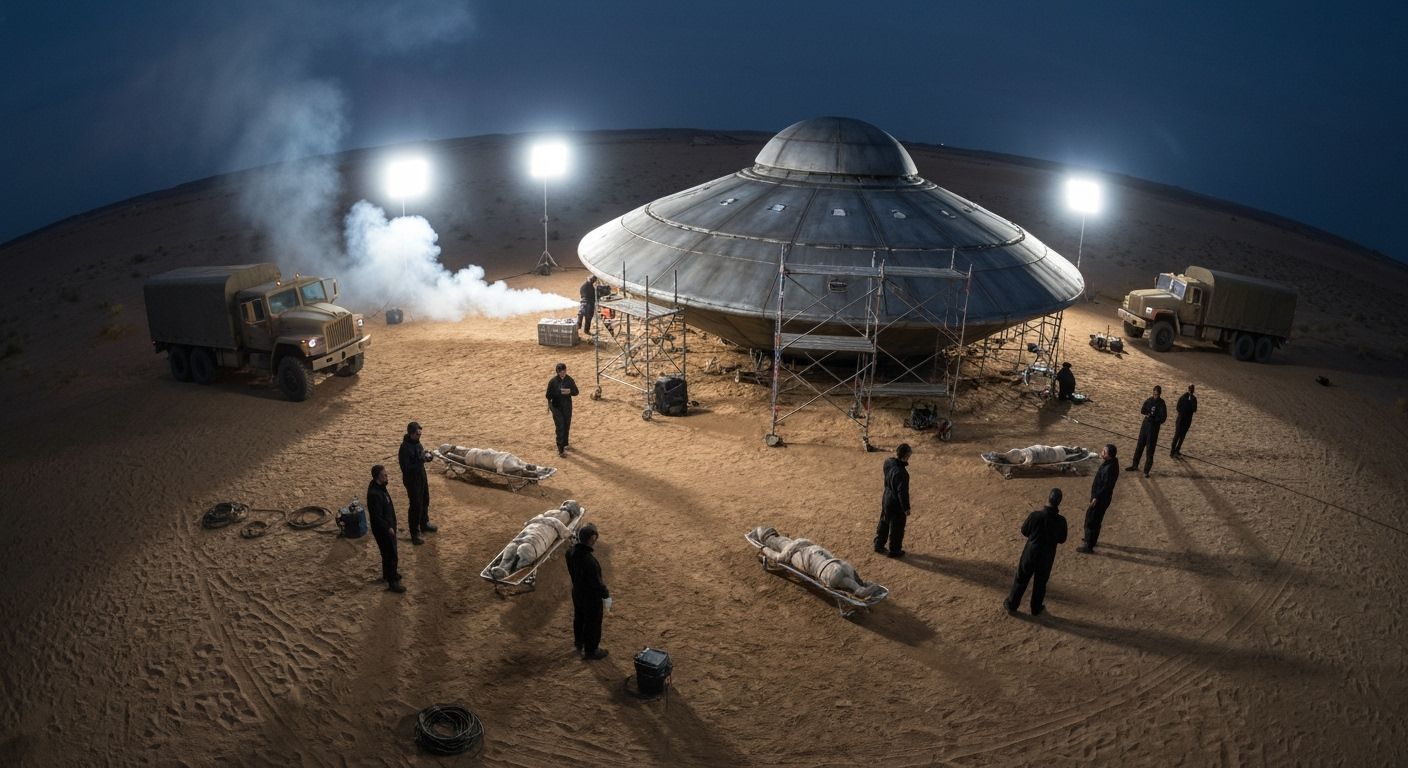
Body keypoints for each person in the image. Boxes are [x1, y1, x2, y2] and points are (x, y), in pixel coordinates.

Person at [754, 527, 884, 598]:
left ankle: (859, 587)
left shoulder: (791, 552)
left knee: (843, 578)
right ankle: (859, 585)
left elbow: (776, 555)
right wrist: (764, 548)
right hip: (829, 567)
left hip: (828, 572)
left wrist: (764, 549)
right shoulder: (792, 549)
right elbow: (777, 555)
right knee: (843, 570)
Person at [1004, 488, 1068, 616]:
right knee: (1040, 583)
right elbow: (1062, 539)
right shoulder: (1061, 521)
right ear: (1059, 502)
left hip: (1031, 553)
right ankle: (1036, 608)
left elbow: (1024, 531)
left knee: (1021, 578)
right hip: (1047, 556)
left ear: (1048, 499)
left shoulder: (1035, 515)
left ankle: (1012, 604)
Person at [490, 501, 583, 579]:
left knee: (515, 547)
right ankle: (508, 569)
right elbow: (565, 532)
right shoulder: (563, 519)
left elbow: (538, 518)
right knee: (522, 548)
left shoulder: (551, 513)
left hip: (532, 531)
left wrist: (533, 521)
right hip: (537, 537)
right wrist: (570, 534)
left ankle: (505, 567)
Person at [565, 523, 611, 660]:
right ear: (591, 539)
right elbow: (597, 583)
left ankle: (579, 642)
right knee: (593, 622)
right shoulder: (589, 561)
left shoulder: (570, 552)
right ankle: (591, 650)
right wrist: (606, 595)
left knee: (579, 618)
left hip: (577, 592)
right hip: (590, 598)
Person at [366, 464, 405, 593]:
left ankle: (388, 574)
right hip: (383, 530)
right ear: (378, 477)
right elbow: (377, 516)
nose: (387, 476)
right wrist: (388, 527)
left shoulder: (380, 487)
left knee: (387, 553)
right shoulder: (374, 494)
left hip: (387, 525)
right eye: (384, 475)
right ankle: (392, 582)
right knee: (391, 554)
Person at [398, 421, 435, 545]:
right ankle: (415, 533)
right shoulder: (404, 448)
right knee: (415, 506)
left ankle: (424, 523)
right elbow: (406, 468)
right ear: (411, 433)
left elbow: (421, 456)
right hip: (412, 480)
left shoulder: (417, 443)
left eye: (420, 434)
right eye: (417, 434)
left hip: (421, 476)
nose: (420, 436)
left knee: (425, 499)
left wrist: (427, 457)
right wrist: (421, 460)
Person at [1079, 444, 1121, 553]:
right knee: (1095, 520)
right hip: (1101, 497)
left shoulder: (1109, 469)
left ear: (1109, 455)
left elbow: (1106, 486)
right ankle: (1091, 540)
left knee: (1091, 520)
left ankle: (1088, 545)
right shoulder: (1111, 463)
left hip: (1100, 499)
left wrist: (1096, 497)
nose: (1102, 452)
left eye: (1104, 452)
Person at [874, 443, 912, 558]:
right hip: (896, 504)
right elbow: (902, 493)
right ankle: (895, 550)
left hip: (886, 498)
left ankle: (878, 544)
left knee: (884, 521)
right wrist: (906, 508)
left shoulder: (888, 462)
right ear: (906, 455)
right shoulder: (903, 474)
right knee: (897, 528)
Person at [1128, 385, 1167, 477]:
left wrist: (1155, 419)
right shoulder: (1149, 400)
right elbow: (1142, 410)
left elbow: (1163, 417)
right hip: (1145, 426)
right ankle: (1135, 465)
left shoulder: (1162, 403)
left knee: (1150, 450)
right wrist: (1148, 414)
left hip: (1153, 429)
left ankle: (1146, 471)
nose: (1155, 395)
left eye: (1157, 394)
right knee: (1139, 446)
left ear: (1159, 394)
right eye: (1154, 394)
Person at [546, 363, 579, 457]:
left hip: (567, 406)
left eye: (564, 371)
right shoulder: (553, 381)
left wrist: (570, 391)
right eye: (561, 372)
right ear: (557, 371)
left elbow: (576, 392)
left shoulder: (569, 380)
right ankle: (560, 449)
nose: (563, 373)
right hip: (556, 406)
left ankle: (565, 444)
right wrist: (558, 393)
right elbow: (548, 395)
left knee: (566, 424)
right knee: (560, 425)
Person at [1170, 384, 1198, 458]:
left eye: (1192, 389)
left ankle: (1177, 450)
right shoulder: (1183, 397)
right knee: (1177, 436)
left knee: (1182, 436)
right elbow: (1178, 407)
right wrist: (1184, 412)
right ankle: (1172, 451)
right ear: (1189, 389)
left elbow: (1194, 409)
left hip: (1186, 420)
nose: (1192, 390)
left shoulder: (1193, 399)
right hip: (1181, 420)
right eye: (1191, 388)